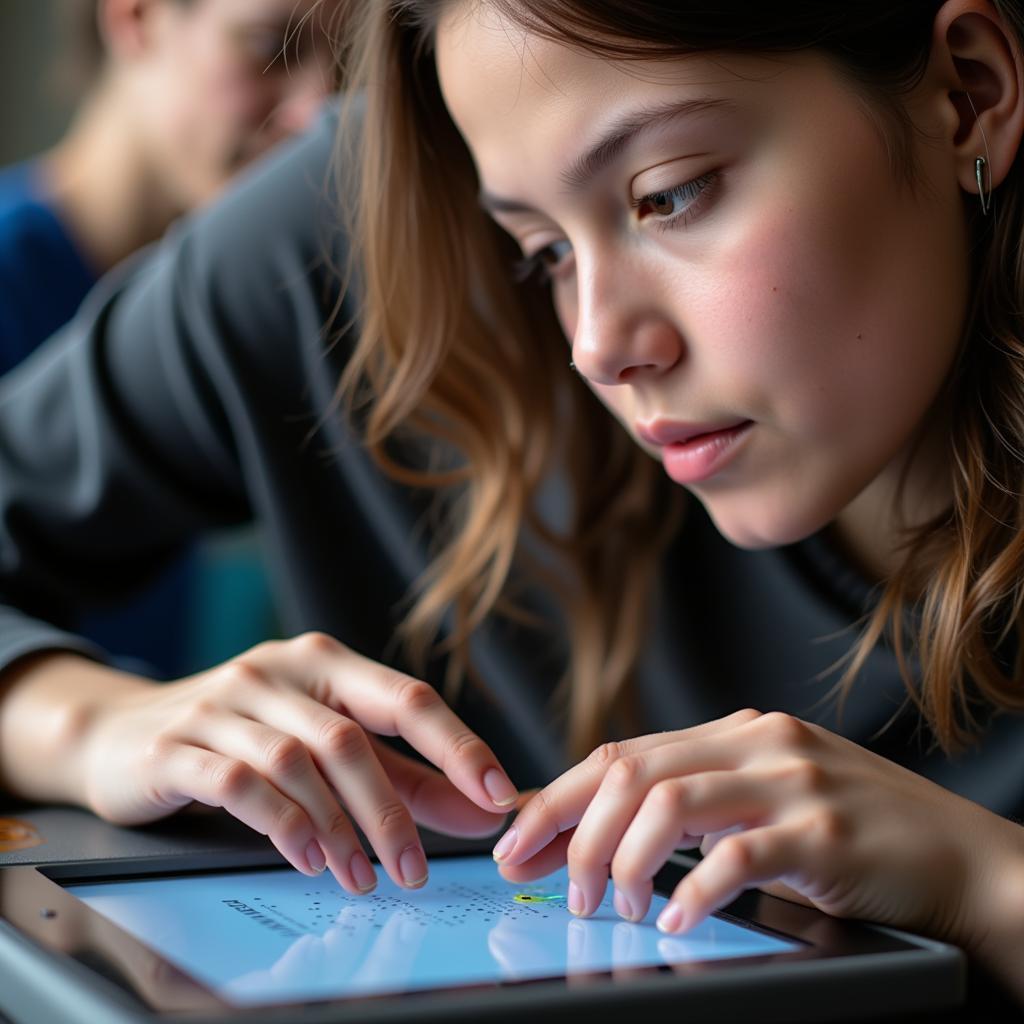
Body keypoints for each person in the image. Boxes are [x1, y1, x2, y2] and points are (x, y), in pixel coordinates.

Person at [0, 0, 1021, 1011]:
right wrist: (89, 722)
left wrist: (987, 885)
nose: (597, 345)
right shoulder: (354, 237)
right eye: (539, 253)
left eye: (669, 196)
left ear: (966, 92)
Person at [0, 0, 339, 676]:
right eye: (270, 48)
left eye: (346, 70)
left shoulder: (279, 306)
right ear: (136, 18)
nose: (314, 113)